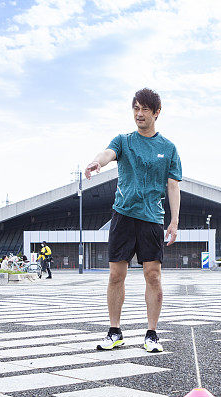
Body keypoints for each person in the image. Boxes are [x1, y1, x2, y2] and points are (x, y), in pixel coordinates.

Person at [84, 88, 181, 353]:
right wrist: (96, 162)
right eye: (135, 108)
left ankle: (151, 334)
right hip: (123, 215)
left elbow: (173, 185)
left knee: (153, 275)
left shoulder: (168, 148)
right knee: (116, 274)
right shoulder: (123, 141)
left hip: (152, 219)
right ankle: (114, 331)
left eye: (145, 110)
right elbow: (107, 153)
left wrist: (174, 222)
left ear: (156, 113)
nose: (139, 114)